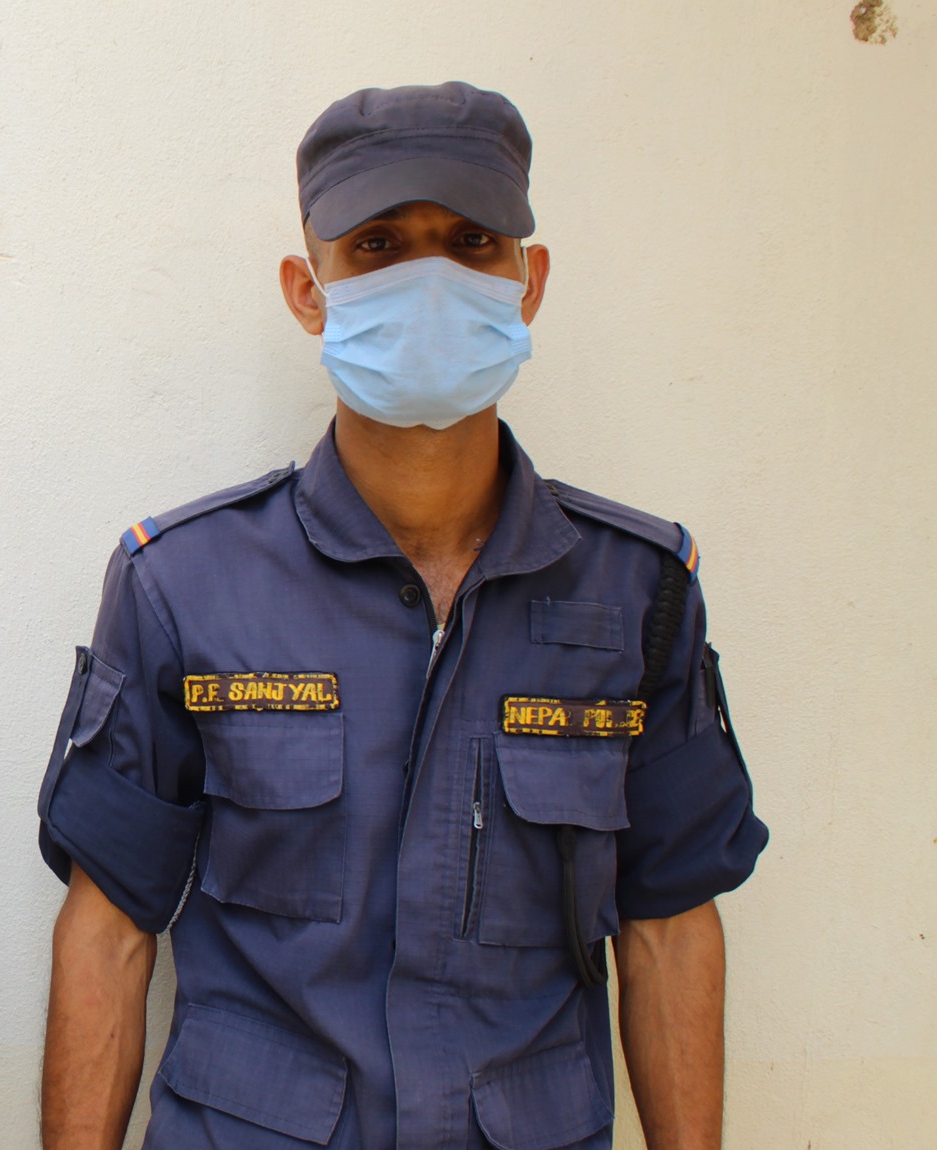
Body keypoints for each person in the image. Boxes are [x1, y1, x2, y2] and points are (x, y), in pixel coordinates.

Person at [37, 83, 767, 1149]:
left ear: (528, 282)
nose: (429, 281)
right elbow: (107, 931)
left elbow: (669, 927)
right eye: (377, 245)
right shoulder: (183, 583)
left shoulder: (635, 589)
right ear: (308, 291)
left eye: (470, 242)